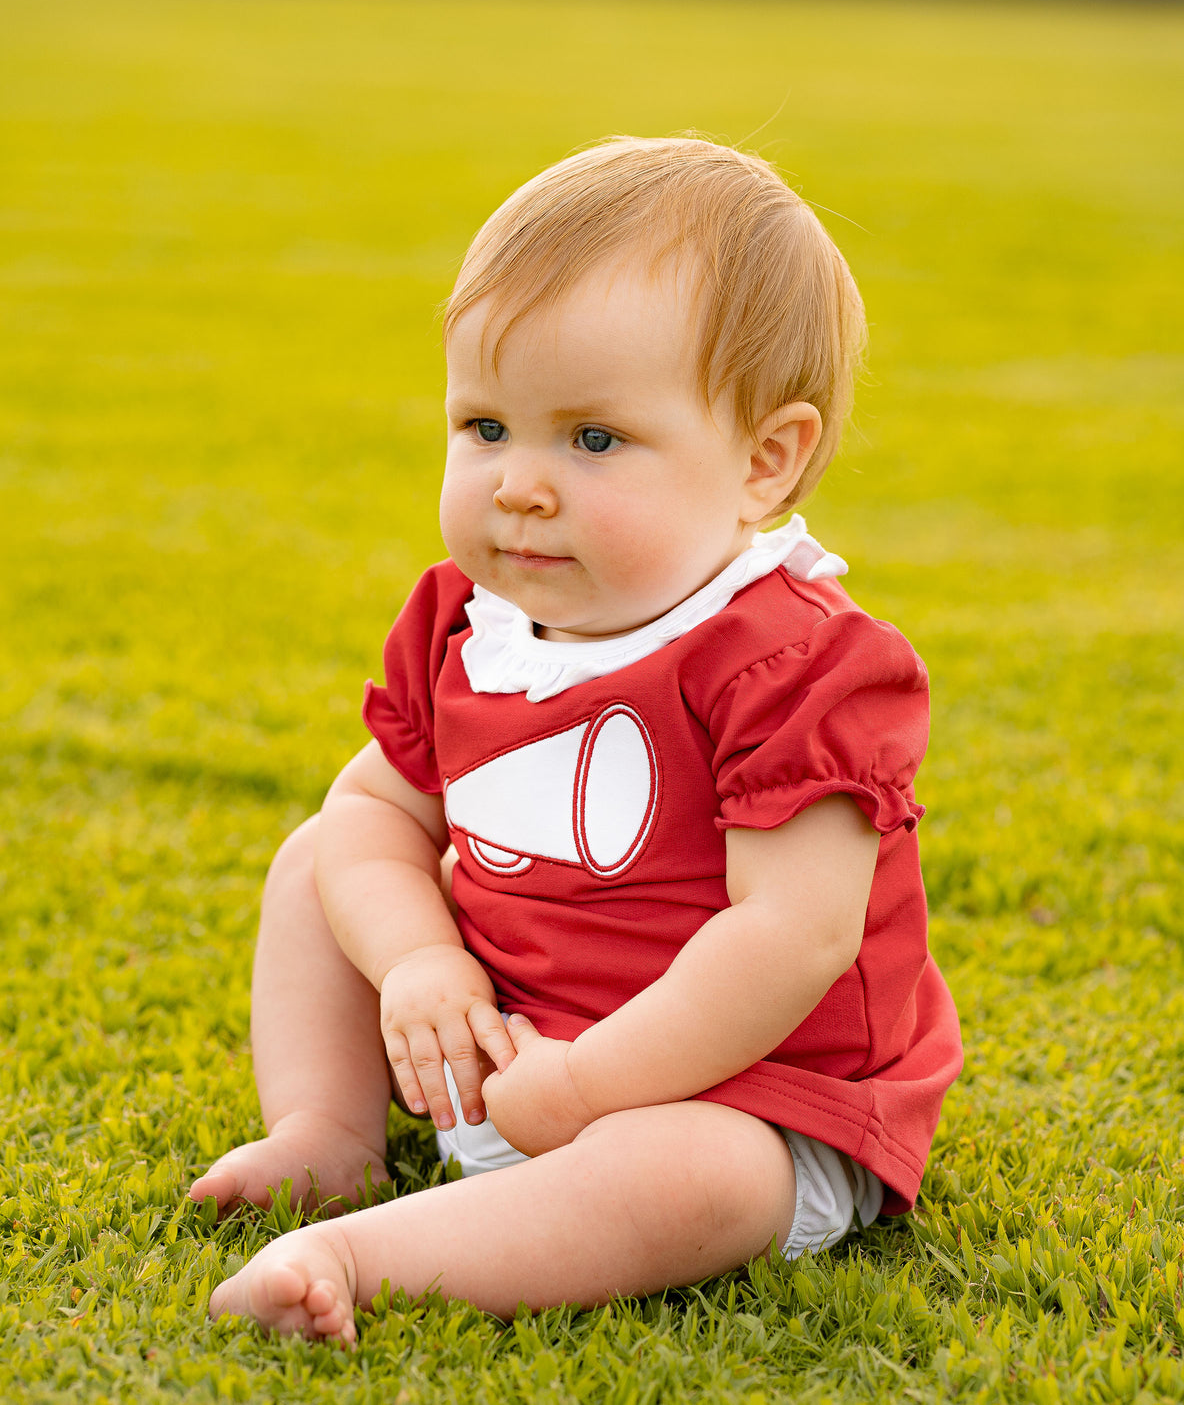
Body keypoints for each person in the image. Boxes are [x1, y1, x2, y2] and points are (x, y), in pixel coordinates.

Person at [192, 136, 963, 1345]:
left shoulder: (794, 661)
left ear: (766, 461)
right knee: (316, 864)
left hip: (733, 1091)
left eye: (592, 440)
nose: (520, 485)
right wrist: (416, 964)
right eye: (487, 426)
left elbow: (791, 937)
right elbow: (374, 818)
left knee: (693, 1179)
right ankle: (329, 1137)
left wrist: (595, 1087)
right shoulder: (465, 622)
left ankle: (360, 1255)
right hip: (501, 1036)